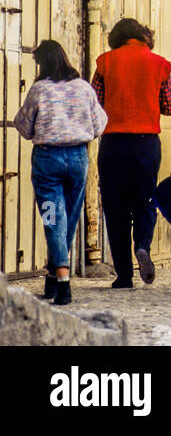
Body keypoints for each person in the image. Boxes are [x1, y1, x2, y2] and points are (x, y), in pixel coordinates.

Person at [13, 39, 107, 305]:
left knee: (53, 218)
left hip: (47, 161)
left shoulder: (39, 90)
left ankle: (63, 282)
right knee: (69, 217)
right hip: (78, 158)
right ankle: (54, 276)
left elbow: (24, 126)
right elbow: (100, 123)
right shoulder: (83, 88)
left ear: (42, 63)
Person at [92, 18, 171, 288]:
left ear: (116, 37)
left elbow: (95, 102)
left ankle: (124, 276)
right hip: (146, 142)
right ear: (145, 38)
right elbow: (170, 106)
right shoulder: (159, 64)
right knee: (144, 201)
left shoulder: (105, 62)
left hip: (113, 143)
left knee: (115, 208)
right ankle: (142, 245)